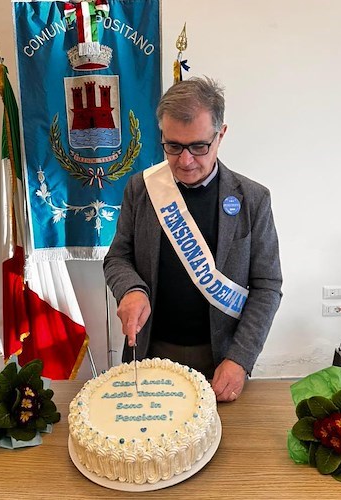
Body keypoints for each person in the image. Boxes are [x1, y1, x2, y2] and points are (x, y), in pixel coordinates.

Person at [103, 77, 282, 402]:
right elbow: (118, 257)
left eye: (199, 147)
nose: (185, 161)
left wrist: (240, 359)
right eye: (173, 146)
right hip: (149, 352)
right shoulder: (141, 189)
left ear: (220, 135)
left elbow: (267, 286)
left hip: (219, 360)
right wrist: (130, 290)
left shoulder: (253, 199)